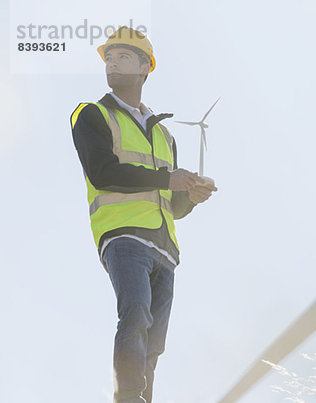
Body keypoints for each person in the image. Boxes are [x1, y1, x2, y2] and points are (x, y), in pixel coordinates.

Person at [70, 26, 217, 402]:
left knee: (154, 342)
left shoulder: (166, 136)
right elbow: (102, 173)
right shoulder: (92, 114)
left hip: (164, 248)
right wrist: (170, 177)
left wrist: (191, 196)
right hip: (123, 236)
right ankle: (128, 397)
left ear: (144, 68)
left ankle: (142, 399)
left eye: (122, 57)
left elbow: (172, 205)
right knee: (135, 314)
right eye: (109, 57)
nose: (112, 63)